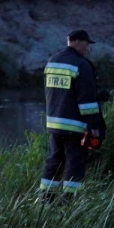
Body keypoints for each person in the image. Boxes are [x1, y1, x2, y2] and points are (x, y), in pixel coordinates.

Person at [40, 29, 105, 195]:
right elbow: (87, 102)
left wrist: (97, 94)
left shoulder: (52, 61)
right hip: (75, 125)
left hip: (54, 123)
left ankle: (45, 198)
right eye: (86, 44)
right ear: (77, 42)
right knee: (75, 162)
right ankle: (69, 200)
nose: (88, 49)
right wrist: (94, 127)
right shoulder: (81, 64)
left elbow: (61, 93)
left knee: (54, 159)